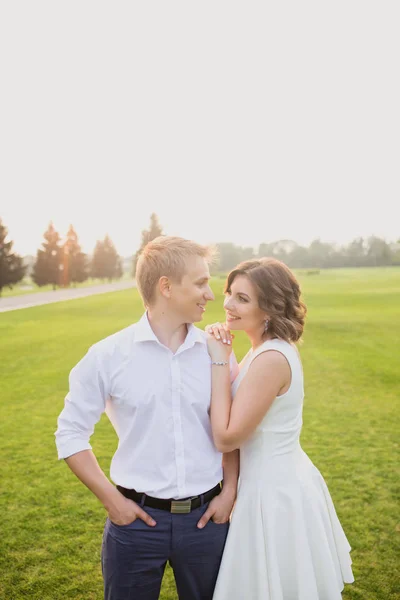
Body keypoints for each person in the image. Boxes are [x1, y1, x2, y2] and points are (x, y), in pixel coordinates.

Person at [55, 236, 239, 600]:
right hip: (135, 526)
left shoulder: (217, 352)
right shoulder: (107, 355)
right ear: (166, 287)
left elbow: (230, 431)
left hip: (208, 520)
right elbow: (70, 433)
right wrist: (112, 502)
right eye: (201, 283)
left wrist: (230, 491)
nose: (211, 295)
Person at [205, 258, 354, 600]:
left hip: (272, 492)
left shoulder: (271, 359)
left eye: (242, 298)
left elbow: (227, 436)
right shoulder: (261, 351)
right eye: (230, 293)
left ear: (269, 308)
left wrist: (217, 360)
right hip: (272, 480)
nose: (228, 303)